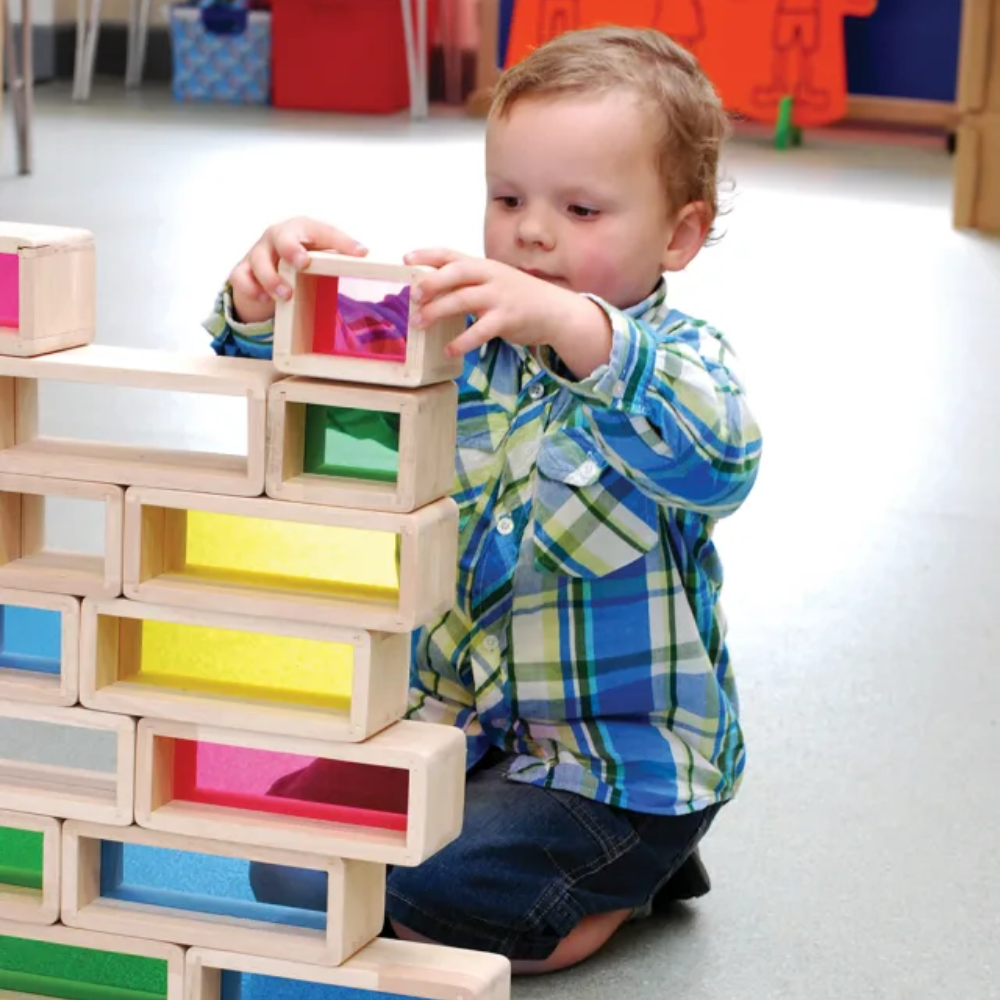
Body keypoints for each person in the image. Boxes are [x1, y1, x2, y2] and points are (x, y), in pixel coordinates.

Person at [204, 25, 762, 975]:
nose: (532, 232)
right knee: (292, 862)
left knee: (410, 889)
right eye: (509, 199)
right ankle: (594, 880)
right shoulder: (461, 338)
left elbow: (721, 452)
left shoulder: (681, 363)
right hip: (464, 736)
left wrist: (578, 327)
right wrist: (266, 303)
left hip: (617, 774)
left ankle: (612, 893)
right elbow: (320, 402)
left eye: (582, 209)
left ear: (680, 234)